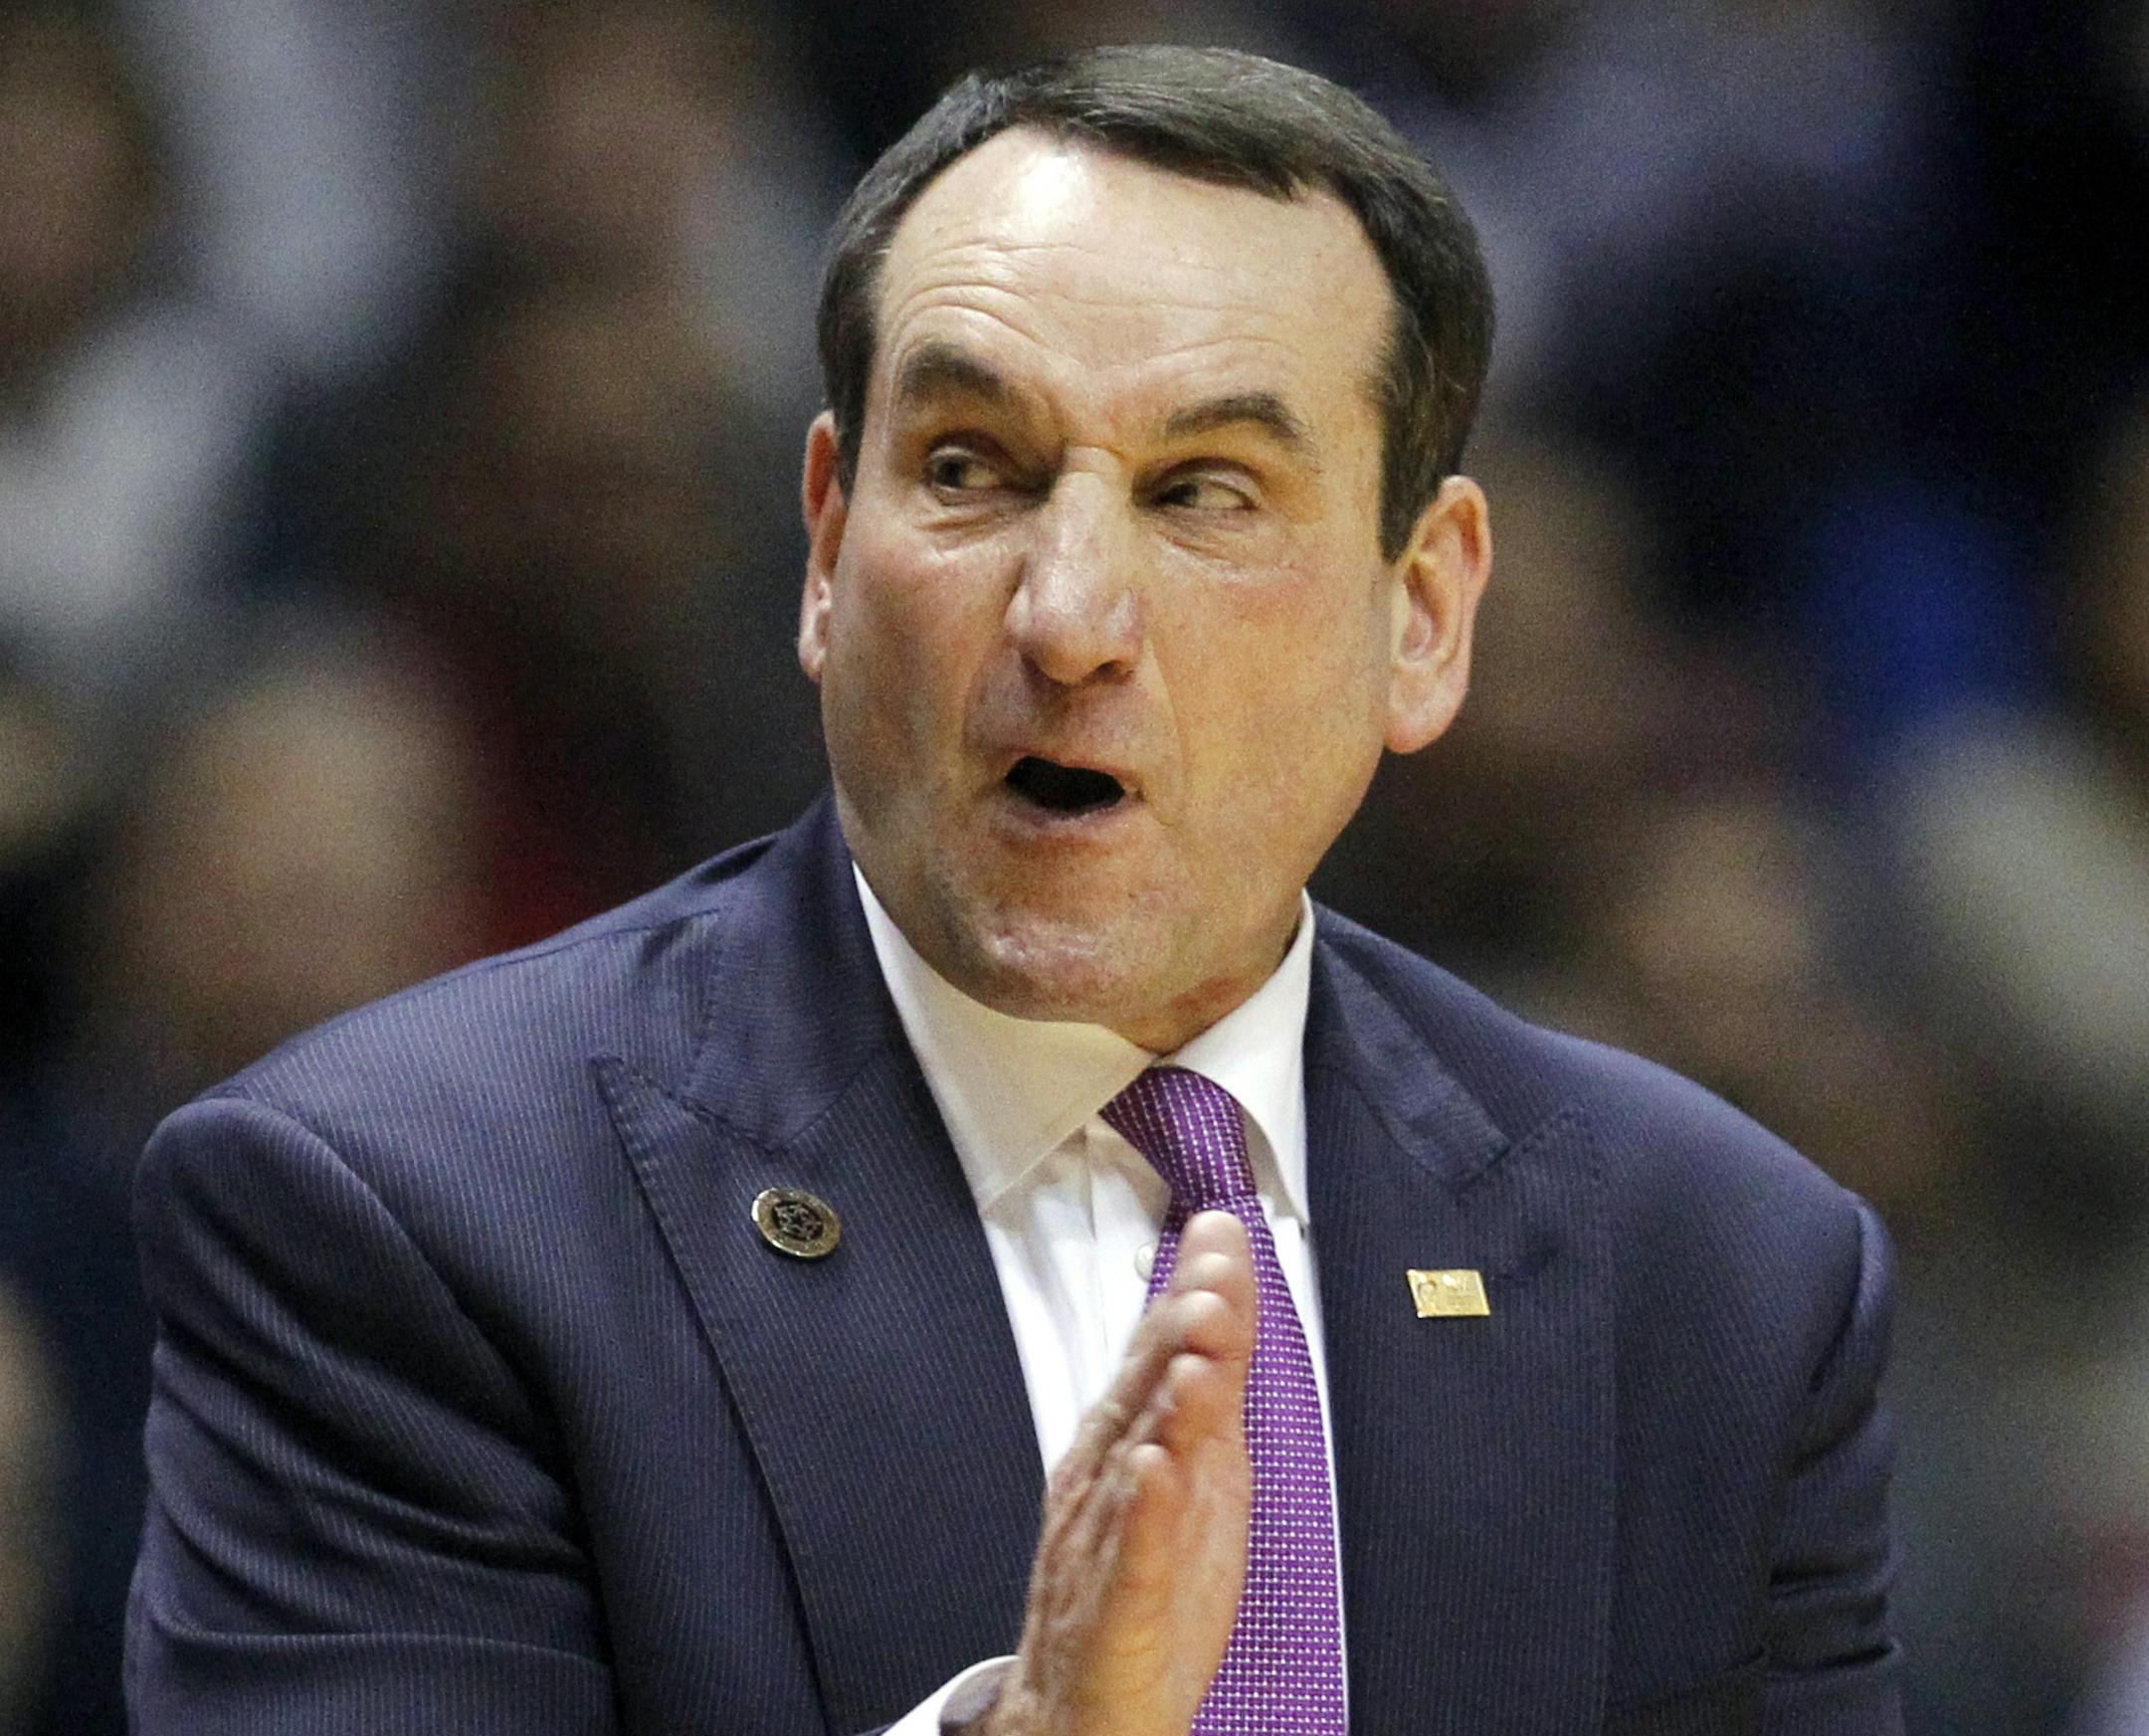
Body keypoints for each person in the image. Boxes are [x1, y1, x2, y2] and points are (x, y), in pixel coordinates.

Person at [126, 46, 1900, 1735]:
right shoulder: (405, 1218)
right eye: (970, 469)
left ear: (1422, 614)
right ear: (827, 548)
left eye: (1206, 491)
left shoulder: (1720, 1281)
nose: (1065, 614)